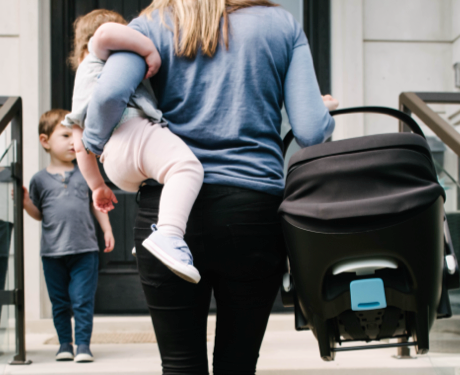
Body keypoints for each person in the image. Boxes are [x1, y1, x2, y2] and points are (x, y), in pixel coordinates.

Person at [84, 1, 338, 373]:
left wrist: (94, 143)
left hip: (170, 211)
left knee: (179, 364)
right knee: (238, 365)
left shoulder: (152, 24)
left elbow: (108, 95)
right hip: (252, 212)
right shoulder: (281, 25)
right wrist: (324, 111)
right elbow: (311, 131)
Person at [64, 9, 203, 283]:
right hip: (131, 133)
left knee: (165, 181)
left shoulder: (81, 84)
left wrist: (98, 187)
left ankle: (147, 241)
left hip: (113, 164)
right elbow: (105, 35)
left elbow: (80, 146)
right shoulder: (98, 55)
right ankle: (169, 235)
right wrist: (149, 49)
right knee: (186, 168)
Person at [23, 109, 115, 363]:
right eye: (66, 135)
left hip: (85, 249)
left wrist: (107, 229)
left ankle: (83, 345)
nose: (74, 142)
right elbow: (39, 213)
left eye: (76, 136)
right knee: (60, 301)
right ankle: (65, 343)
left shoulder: (86, 173)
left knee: (83, 300)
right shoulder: (39, 180)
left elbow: (99, 204)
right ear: (45, 141)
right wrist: (24, 202)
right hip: (52, 252)